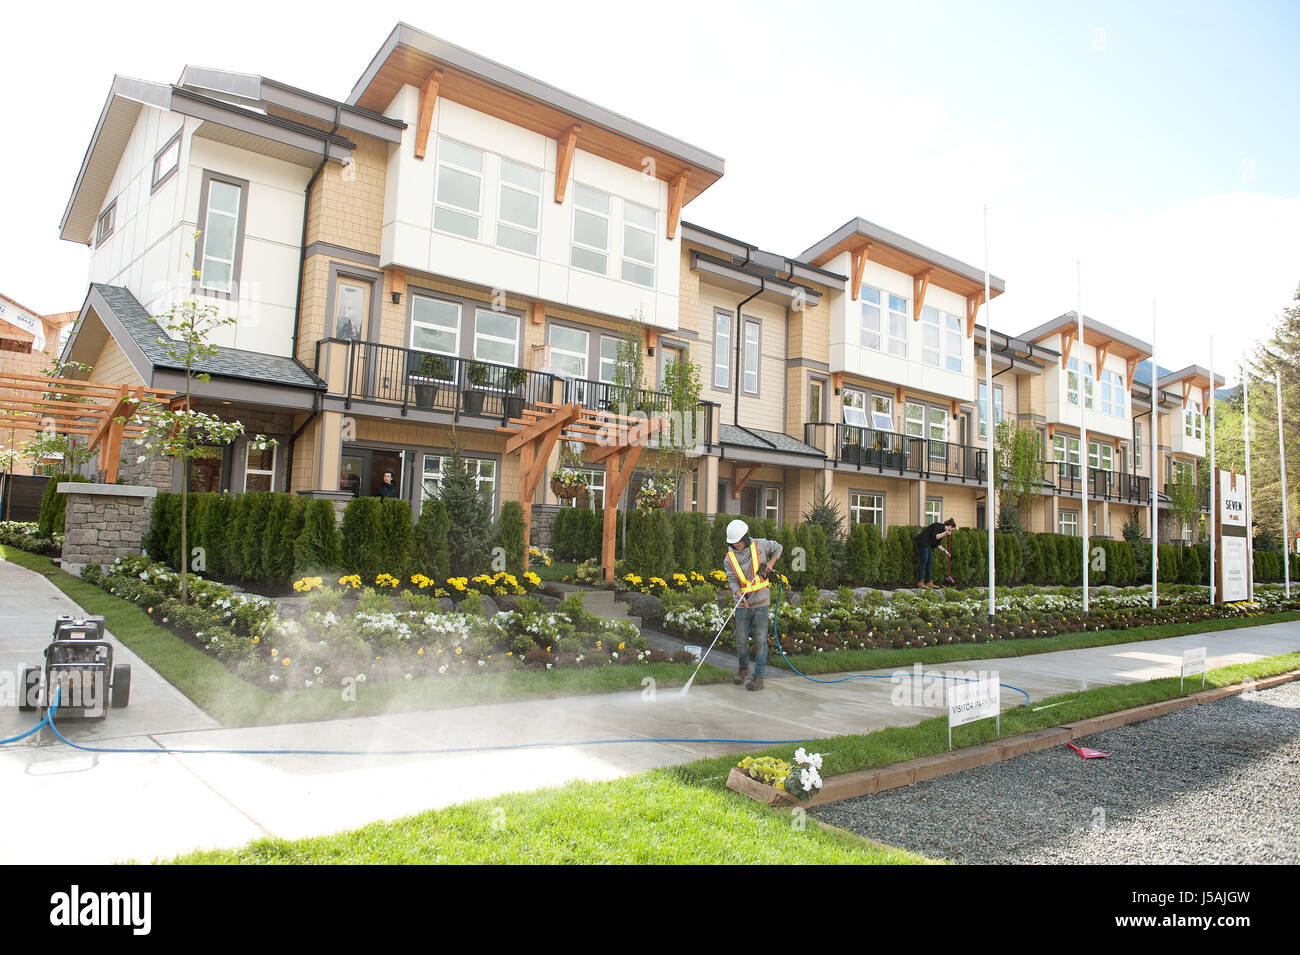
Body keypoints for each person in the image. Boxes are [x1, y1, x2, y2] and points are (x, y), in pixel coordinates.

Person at [722, 518, 783, 691]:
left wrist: (770, 564)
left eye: (739, 542)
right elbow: (732, 579)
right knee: (741, 640)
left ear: (745, 537)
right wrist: (738, 594)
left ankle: (759, 677)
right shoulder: (729, 558)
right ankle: (743, 669)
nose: (737, 546)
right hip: (742, 604)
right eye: (734, 543)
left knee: (760, 641)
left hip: (761, 602)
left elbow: (778, 547)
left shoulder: (760, 545)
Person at [914, 517, 956, 589]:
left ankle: (929, 582)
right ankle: (920, 582)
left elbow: (938, 544)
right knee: (924, 561)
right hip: (923, 542)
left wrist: (946, 552)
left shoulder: (943, 531)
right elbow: (936, 536)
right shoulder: (939, 526)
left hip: (928, 545)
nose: (951, 531)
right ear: (950, 526)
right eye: (952, 529)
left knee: (930, 562)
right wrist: (946, 533)